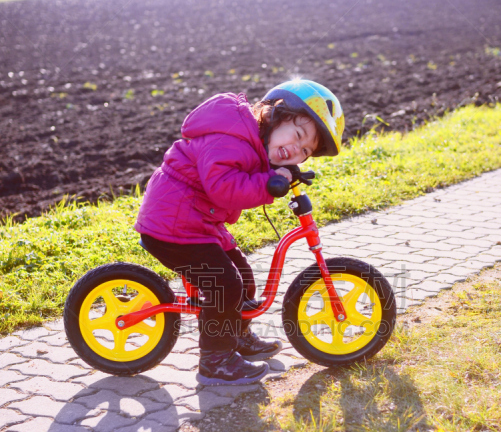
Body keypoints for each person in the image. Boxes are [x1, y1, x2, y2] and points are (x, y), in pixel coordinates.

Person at [135, 79, 345, 385]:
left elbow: (250, 171)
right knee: (224, 285)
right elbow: (223, 189)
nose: (295, 150)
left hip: (197, 223)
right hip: (173, 226)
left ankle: (237, 336)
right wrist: (267, 184)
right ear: (276, 115)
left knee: (242, 277)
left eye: (304, 151)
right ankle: (216, 359)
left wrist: (278, 174)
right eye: (297, 135)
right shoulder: (230, 138)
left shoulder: (252, 139)